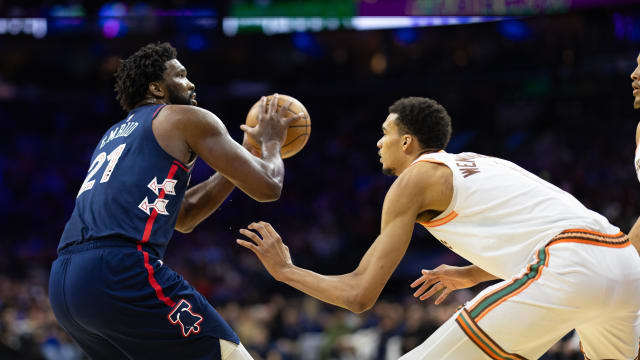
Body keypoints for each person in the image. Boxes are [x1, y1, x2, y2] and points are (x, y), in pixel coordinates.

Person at [237, 97, 640, 359]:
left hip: (570, 263)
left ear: (408, 142)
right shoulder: (485, 162)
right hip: (624, 264)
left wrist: (286, 271)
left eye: (385, 134)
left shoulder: (412, 181)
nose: (379, 143)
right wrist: (468, 273)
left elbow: (359, 294)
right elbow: (540, 231)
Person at [48, 42, 302, 360]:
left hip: (65, 284)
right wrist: (273, 142)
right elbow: (269, 186)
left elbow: (184, 216)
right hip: (119, 269)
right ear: (156, 87)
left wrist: (245, 155)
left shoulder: (114, 134)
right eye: (181, 75)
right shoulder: (184, 118)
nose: (191, 83)